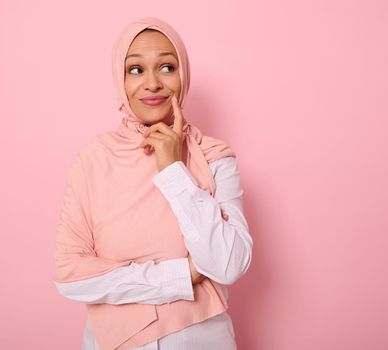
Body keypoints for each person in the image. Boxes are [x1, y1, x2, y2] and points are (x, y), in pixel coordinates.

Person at [53, 17, 253, 350]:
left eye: (166, 67)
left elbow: (228, 265)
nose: (152, 84)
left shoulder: (214, 158)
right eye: (135, 70)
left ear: (182, 75)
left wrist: (174, 168)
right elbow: (69, 275)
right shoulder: (93, 160)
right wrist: (181, 275)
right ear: (120, 78)